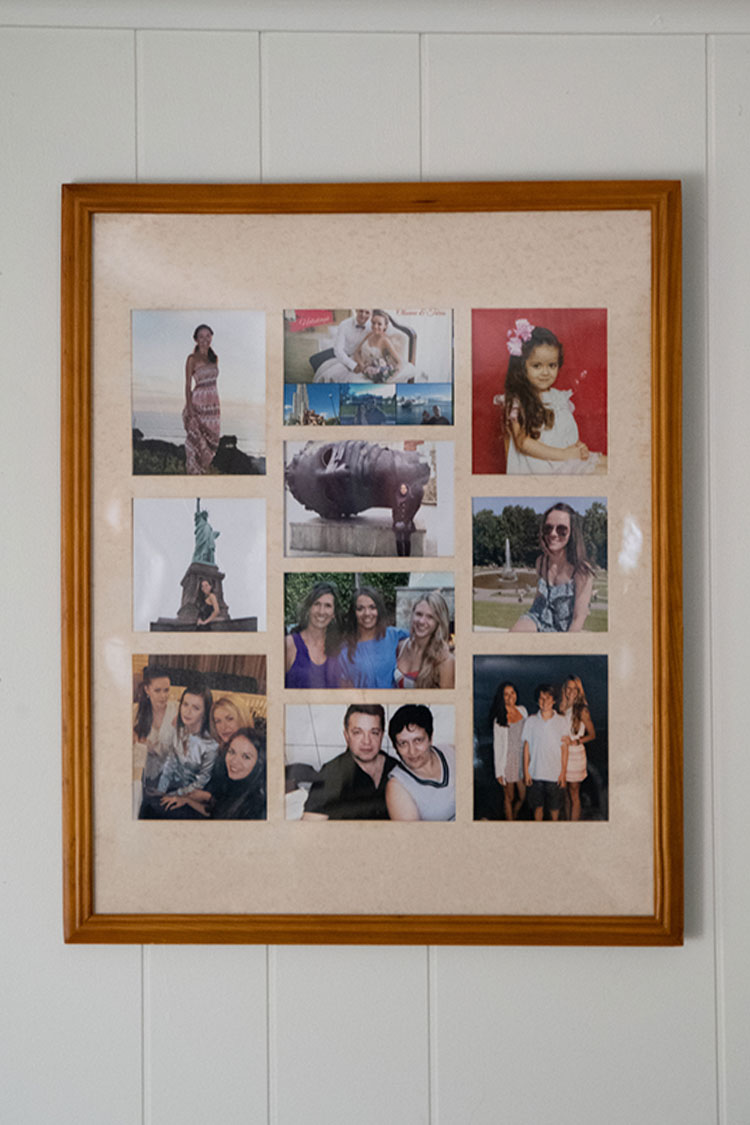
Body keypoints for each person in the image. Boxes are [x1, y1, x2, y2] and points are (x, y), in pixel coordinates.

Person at [502, 320, 603, 474]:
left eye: (552, 365)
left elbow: (563, 433)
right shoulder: (518, 401)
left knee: (612, 464)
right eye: (537, 366)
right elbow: (523, 442)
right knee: (600, 473)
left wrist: (579, 446)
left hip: (566, 458)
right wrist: (564, 455)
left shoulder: (560, 398)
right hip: (543, 466)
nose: (546, 372)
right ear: (521, 368)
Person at [510, 503, 595, 633]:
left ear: (572, 532)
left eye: (561, 529)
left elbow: (578, 619)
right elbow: (538, 601)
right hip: (537, 619)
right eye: (548, 528)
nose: (553, 534)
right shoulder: (541, 562)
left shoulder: (581, 571)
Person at [302, 704, 396, 820]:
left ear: (381, 735)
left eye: (374, 732)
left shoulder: (395, 769)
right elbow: (309, 830)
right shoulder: (331, 774)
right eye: (357, 732)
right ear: (346, 736)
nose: (367, 741)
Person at [140, 683, 218, 818]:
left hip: (193, 799)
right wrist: (161, 791)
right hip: (173, 788)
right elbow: (170, 763)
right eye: (185, 704)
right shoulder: (179, 731)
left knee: (152, 809)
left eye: (196, 708)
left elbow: (201, 781)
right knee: (144, 800)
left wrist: (175, 794)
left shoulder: (211, 745)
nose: (187, 711)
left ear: (205, 713)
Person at [386, 704, 456, 821]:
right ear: (396, 747)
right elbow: (415, 838)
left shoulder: (451, 752)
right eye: (403, 743)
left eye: (418, 740)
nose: (412, 751)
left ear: (430, 738)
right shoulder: (397, 787)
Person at [338, 586, 408, 689]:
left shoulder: (394, 635)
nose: (367, 613)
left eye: (372, 607)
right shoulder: (344, 651)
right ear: (354, 613)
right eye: (360, 609)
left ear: (379, 610)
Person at [190, 729, 266, 820]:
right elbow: (219, 812)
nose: (234, 761)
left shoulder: (258, 807)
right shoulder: (235, 784)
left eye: (246, 757)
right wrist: (188, 801)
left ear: (260, 763)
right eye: (232, 752)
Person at [522, 683, 569, 822]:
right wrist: (526, 771)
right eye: (541, 698)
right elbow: (526, 747)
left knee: (554, 810)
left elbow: (565, 749)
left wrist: (563, 773)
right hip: (535, 774)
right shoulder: (530, 721)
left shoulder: (561, 721)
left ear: (554, 700)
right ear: (537, 700)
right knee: (537, 809)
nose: (545, 702)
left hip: (554, 774)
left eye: (548, 698)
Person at [285, 580, 343, 688]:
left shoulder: (339, 649)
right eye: (317, 604)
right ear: (308, 608)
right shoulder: (289, 644)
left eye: (328, 606)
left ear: (334, 613)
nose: (321, 611)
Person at [394, 592, 455, 689]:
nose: (422, 621)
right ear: (412, 615)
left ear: (438, 622)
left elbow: (447, 703)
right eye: (419, 614)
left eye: (430, 617)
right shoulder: (400, 646)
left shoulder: (445, 660)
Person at [133, 665, 177, 792]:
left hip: (169, 779)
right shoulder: (135, 711)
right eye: (157, 691)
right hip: (142, 777)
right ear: (147, 689)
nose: (163, 696)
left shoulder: (177, 710)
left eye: (166, 690)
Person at [183, 323, 220, 474]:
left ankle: (203, 471)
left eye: (207, 336)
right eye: (201, 336)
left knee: (212, 442)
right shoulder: (192, 358)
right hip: (198, 404)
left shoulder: (214, 358)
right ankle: (194, 474)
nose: (205, 339)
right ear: (196, 339)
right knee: (197, 442)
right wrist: (190, 409)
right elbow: (187, 385)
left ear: (211, 337)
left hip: (213, 406)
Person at [490, 681, 528, 821]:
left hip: (522, 759)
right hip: (508, 761)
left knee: (523, 796)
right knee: (509, 797)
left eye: (512, 693)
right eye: (506, 694)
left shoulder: (523, 710)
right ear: (502, 697)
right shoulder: (499, 719)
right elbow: (497, 746)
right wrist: (499, 772)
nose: (510, 696)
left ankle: (515, 813)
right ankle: (509, 822)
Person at [560, 675, 596, 821]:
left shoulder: (582, 710)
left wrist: (576, 741)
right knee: (565, 794)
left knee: (574, 794)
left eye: (575, 688)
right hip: (562, 755)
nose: (572, 691)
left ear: (579, 691)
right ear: (565, 690)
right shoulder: (561, 709)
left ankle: (574, 828)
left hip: (575, 755)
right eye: (569, 688)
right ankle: (568, 823)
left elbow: (592, 735)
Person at [313, 309, 371, 382]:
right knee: (322, 369)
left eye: (367, 312)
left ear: (371, 313)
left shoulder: (373, 327)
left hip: (359, 358)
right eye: (361, 311)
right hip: (343, 355)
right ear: (356, 310)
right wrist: (352, 365)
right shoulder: (344, 324)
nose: (363, 315)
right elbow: (338, 350)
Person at [391, 479, 423, 557]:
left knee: (406, 541)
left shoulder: (411, 499)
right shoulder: (396, 498)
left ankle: (407, 557)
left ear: (407, 489)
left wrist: (405, 521)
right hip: (397, 523)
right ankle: (400, 557)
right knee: (398, 540)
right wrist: (395, 521)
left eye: (405, 488)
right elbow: (394, 511)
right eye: (401, 488)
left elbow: (413, 510)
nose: (403, 490)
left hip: (407, 523)